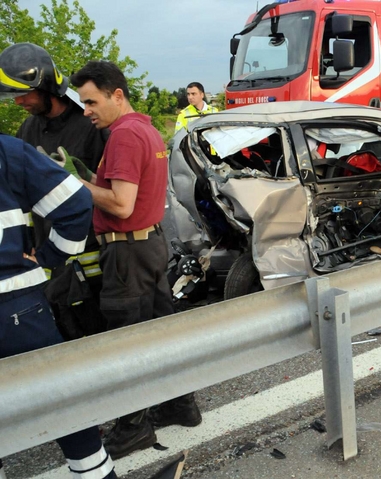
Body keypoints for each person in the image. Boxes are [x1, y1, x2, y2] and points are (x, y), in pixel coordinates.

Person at [69, 61, 201, 460]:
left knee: (126, 339)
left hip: (127, 251)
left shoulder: (123, 135)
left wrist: (73, 183)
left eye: (91, 101)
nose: (86, 110)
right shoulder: (145, 128)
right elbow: (131, 190)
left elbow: (122, 204)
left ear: (117, 95)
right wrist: (93, 178)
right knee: (158, 331)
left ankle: (133, 429)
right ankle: (180, 405)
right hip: (151, 245)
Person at [0, 131, 116, 478]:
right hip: (14, 306)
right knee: (62, 406)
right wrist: (49, 259)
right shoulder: (7, 151)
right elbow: (75, 202)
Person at [0, 43, 107, 335]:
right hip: (47, 258)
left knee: (96, 330)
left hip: (93, 261)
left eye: (23, 93)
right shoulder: (27, 131)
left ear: (46, 85)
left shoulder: (90, 127)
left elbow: (109, 191)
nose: (18, 102)